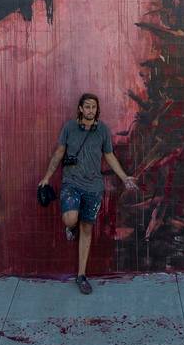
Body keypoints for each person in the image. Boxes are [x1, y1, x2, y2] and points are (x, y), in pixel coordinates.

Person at [39, 93, 138, 293]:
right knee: (70, 219)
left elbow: (109, 156)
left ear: (96, 109)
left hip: (94, 188)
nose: (90, 110)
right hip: (71, 183)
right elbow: (59, 153)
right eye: (87, 107)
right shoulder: (69, 128)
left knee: (86, 229)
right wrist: (47, 177)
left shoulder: (102, 130)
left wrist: (125, 177)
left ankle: (81, 275)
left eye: (94, 107)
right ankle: (70, 227)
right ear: (81, 109)